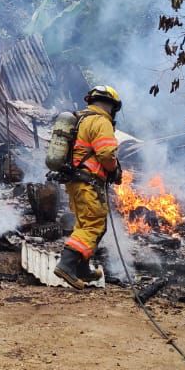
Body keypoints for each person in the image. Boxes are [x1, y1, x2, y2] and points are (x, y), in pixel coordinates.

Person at [54, 86, 123, 288]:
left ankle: (82, 270)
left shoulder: (79, 119)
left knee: (86, 225)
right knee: (94, 225)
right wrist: (114, 170)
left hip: (76, 182)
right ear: (112, 106)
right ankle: (66, 265)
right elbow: (106, 154)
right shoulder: (101, 121)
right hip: (89, 183)